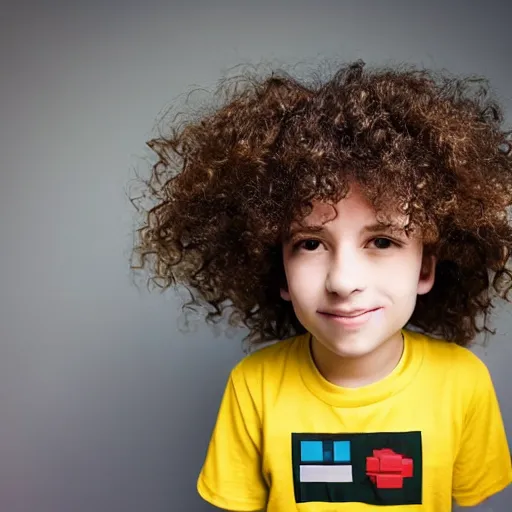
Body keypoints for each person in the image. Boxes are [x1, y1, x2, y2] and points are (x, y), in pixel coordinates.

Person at [131, 59, 512, 510]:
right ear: (280, 273)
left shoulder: (463, 381)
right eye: (311, 243)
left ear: (425, 269)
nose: (343, 281)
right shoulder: (254, 385)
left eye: (383, 241)